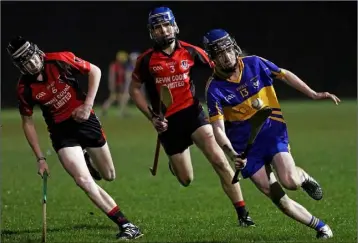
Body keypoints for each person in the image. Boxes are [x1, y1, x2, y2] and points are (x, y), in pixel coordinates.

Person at [203, 29, 340, 239]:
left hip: (271, 132)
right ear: (212, 58)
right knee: (278, 199)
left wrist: (313, 94)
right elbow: (219, 130)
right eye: (219, 53)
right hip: (245, 149)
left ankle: (302, 176)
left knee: (291, 181)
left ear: (234, 47)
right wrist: (232, 155)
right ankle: (322, 227)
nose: (226, 56)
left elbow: (284, 75)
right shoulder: (214, 89)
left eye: (228, 49)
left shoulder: (255, 63)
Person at [129, 7, 255, 226]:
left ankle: (243, 215)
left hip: (193, 114)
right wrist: (152, 117)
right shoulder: (146, 60)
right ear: (152, 32)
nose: (163, 30)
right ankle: (175, 164)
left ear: (175, 26)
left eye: (166, 25)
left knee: (220, 160)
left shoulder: (190, 51)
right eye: (157, 27)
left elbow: (220, 69)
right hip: (168, 124)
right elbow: (134, 89)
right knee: (186, 179)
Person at [8, 36, 143, 240]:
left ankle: (88, 157)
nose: (33, 63)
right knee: (82, 180)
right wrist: (40, 158)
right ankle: (127, 225)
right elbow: (27, 123)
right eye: (26, 62)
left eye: (33, 57)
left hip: (86, 121)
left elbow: (95, 71)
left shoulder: (59, 59)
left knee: (109, 175)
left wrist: (87, 106)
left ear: (37, 51)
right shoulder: (24, 89)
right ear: (20, 66)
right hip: (61, 134)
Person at [101, 50, 128, 117]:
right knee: (112, 99)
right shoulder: (114, 65)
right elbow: (112, 76)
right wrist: (112, 86)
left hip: (119, 86)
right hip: (116, 86)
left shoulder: (121, 66)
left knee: (121, 99)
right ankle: (103, 111)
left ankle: (122, 112)